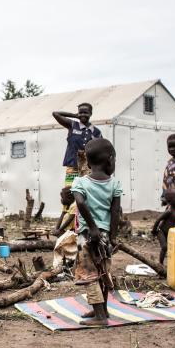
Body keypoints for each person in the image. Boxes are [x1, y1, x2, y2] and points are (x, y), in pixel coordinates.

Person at [71, 139, 122, 325]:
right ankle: (102, 310)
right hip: (105, 236)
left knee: (89, 275)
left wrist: (92, 227)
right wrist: (113, 236)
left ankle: (100, 316)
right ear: (110, 160)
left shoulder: (80, 182)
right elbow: (115, 211)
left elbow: (80, 202)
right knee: (103, 272)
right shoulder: (115, 184)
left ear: (89, 163)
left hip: (87, 235)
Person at [53, 103, 101, 187]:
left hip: (88, 169)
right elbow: (55, 114)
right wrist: (74, 115)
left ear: (90, 114)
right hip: (72, 167)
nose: (82, 114)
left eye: (85, 112)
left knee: (86, 192)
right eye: (80, 112)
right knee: (70, 192)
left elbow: (100, 149)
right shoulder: (72, 125)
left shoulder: (96, 132)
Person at [152, 188, 175, 264]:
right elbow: (158, 219)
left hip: (171, 233)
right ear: (170, 201)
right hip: (161, 232)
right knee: (165, 247)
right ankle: (160, 264)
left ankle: (174, 264)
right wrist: (154, 230)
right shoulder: (169, 211)